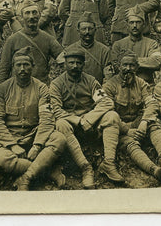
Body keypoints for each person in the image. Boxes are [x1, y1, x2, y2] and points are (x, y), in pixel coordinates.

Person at [0, 47, 67, 190]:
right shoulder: (2, 89)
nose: (22, 69)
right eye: (18, 65)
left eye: (26, 65)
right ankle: (48, 170)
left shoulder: (42, 88)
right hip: (11, 137)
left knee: (59, 139)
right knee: (1, 160)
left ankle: (26, 177)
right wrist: (12, 145)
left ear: (33, 67)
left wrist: (37, 145)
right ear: (13, 67)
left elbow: (47, 119)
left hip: (35, 135)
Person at [51, 46, 123, 189]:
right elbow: (55, 109)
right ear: (65, 64)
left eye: (78, 63)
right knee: (60, 124)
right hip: (71, 126)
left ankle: (108, 163)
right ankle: (85, 167)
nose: (75, 66)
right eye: (71, 63)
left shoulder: (90, 81)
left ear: (83, 64)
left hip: (91, 125)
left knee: (112, 115)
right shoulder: (56, 84)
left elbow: (106, 102)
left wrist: (89, 118)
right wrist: (77, 120)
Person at [103, 51, 161, 182]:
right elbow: (107, 113)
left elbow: (152, 103)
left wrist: (144, 122)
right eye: (125, 65)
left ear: (137, 67)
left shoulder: (141, 83)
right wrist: (127, 130)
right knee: (130, 144)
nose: (128, 69)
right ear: (119, 66)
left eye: (132, 65)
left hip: (138, 122)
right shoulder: (109, 86)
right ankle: (154, 169)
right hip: (121, 128)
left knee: (155, 122)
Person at [0, 0, 63, 85]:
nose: (31, 17)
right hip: (18, 88)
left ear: (39, 15)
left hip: (41, 87)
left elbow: (64, 62)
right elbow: (4, 69)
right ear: (21, 17)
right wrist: (1, 91)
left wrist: (58, 85)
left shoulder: (48, 39)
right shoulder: (12, 40)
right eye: (27, 13)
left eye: (34, 12)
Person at [56, 11, 113, 84]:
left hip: (97, 90)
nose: (87, 32)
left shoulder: (104, 51)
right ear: (78, 31)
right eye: (84, 29)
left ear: (95, 30)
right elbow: (64, 77)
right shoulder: (70, 50)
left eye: (90, 29)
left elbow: (109, 78)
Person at [111, 7, 161, 85]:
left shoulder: (152, 44)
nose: (135, 26)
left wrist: (132, 60)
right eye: (131, 22)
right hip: (123, 86)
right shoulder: (118, 45)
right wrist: (144, 63)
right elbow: (116, 66)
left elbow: (156, 62)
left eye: (138, 22)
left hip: (146, 85)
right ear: (127, 25)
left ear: (144, 25)